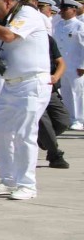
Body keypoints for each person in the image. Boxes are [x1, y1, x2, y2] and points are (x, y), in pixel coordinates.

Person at [0, 0, 50, 201]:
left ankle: (27, 185)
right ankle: (8, 180)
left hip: (32, 82)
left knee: (25, 135)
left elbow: (8, 36)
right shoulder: (5, 19)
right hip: (11, 84)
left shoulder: (27, 13)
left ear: (7, 1)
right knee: (1, 133)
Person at [38, 35, 70, 169]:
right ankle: (55, 155)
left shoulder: (47, 39)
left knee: (63, 121)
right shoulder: (17, 38)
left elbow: (61, 62)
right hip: (32, 88)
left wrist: (56, 76)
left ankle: (43, 139)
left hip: (50, 88)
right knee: (44, 123)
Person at [52, 0, 84, 130]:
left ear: (74, 10)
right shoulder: (58, 25)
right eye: (61, 9)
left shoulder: (80, 26)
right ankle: (70, 118)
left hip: (76, 65)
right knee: (66, 92)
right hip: (63, 66)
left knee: (78, 93)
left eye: (65, 9)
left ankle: (80, 120)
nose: (61, 11)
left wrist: (82, 66)